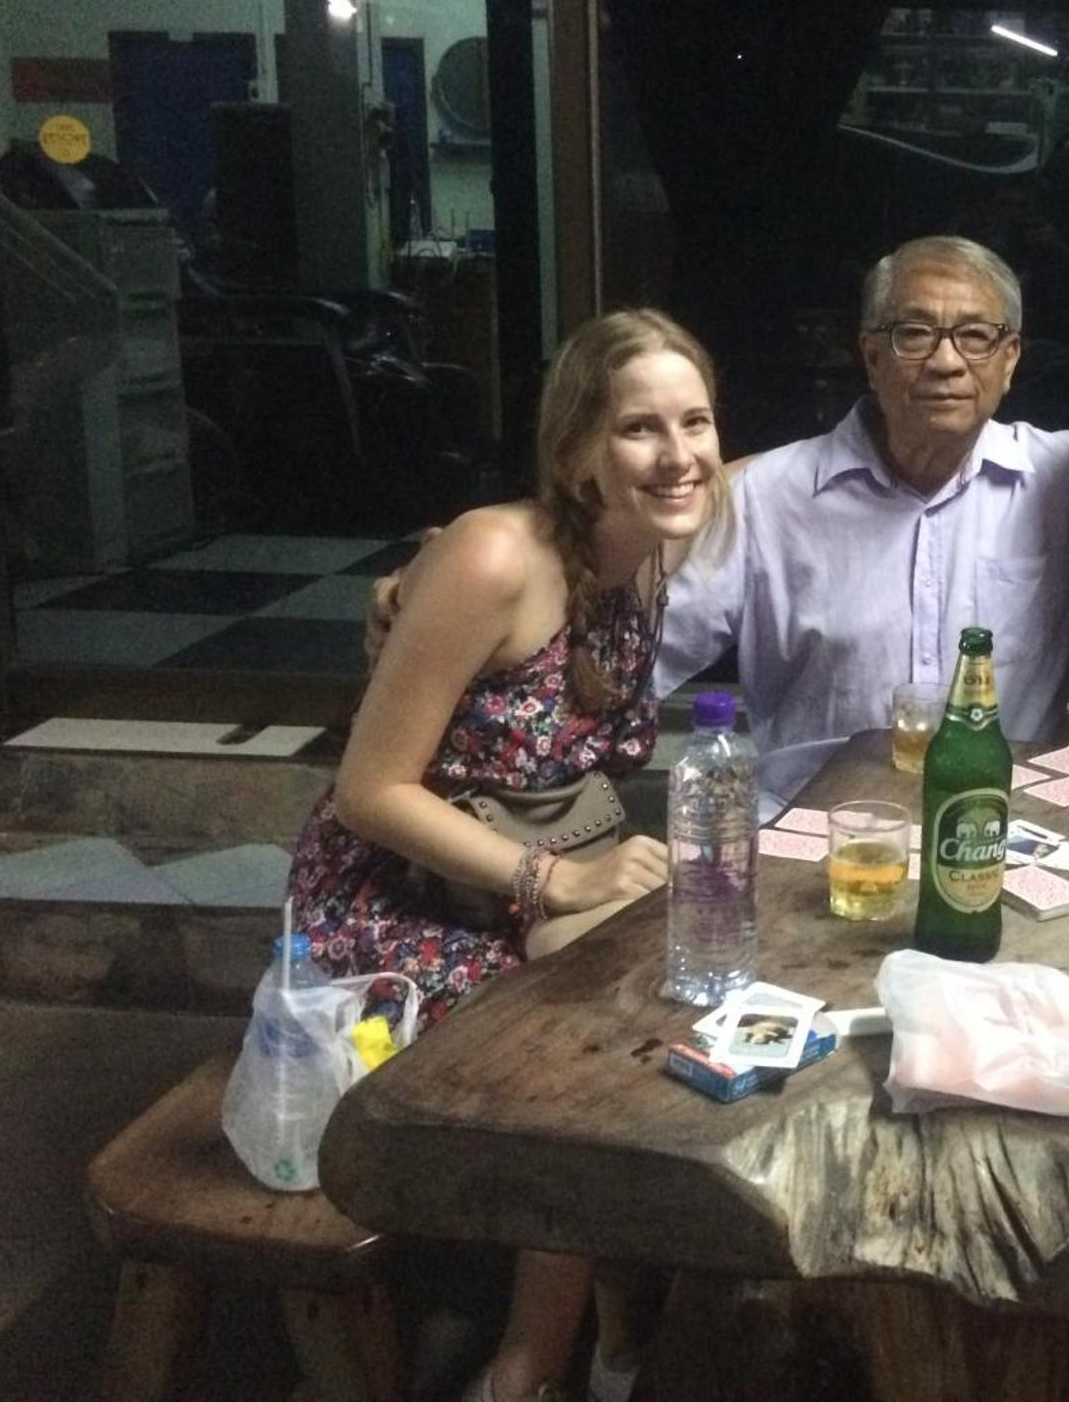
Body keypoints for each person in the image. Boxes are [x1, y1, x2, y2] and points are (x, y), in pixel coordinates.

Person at [289, 308, 728, 1402]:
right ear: (577, 452)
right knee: (591, 1046)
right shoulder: (493, 556)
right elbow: (368, 791)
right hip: (395, 901)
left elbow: (765, 472)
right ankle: (531, 1366)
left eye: (696, 422)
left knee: (695, 967)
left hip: (510, 881)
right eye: (638, 428)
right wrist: (558, 880)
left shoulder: (650, 540)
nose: (678, 454)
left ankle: (621, 1304)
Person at [654, 234, 1069, 806]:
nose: (946, 362)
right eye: (914, 334)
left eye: (975, 336)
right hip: (808, 830)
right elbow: (634, 670)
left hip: (996, 830)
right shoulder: (766, 499)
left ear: (1009, 358)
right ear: (871, 357)